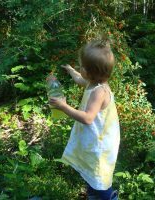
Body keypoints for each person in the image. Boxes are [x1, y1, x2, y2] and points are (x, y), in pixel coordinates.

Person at [49, 38, 120, 200]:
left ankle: (108, 197)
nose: (80, 69)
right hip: (94, 139)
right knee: (92, 176)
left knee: (99, 178)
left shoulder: (99, 92)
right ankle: (93, 195)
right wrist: (72, 71)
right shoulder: (93, 82)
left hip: (100, 144)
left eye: (82, 67)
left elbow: (88, 118)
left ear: (90, 72)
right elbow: (81, 80)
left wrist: (64, 106)